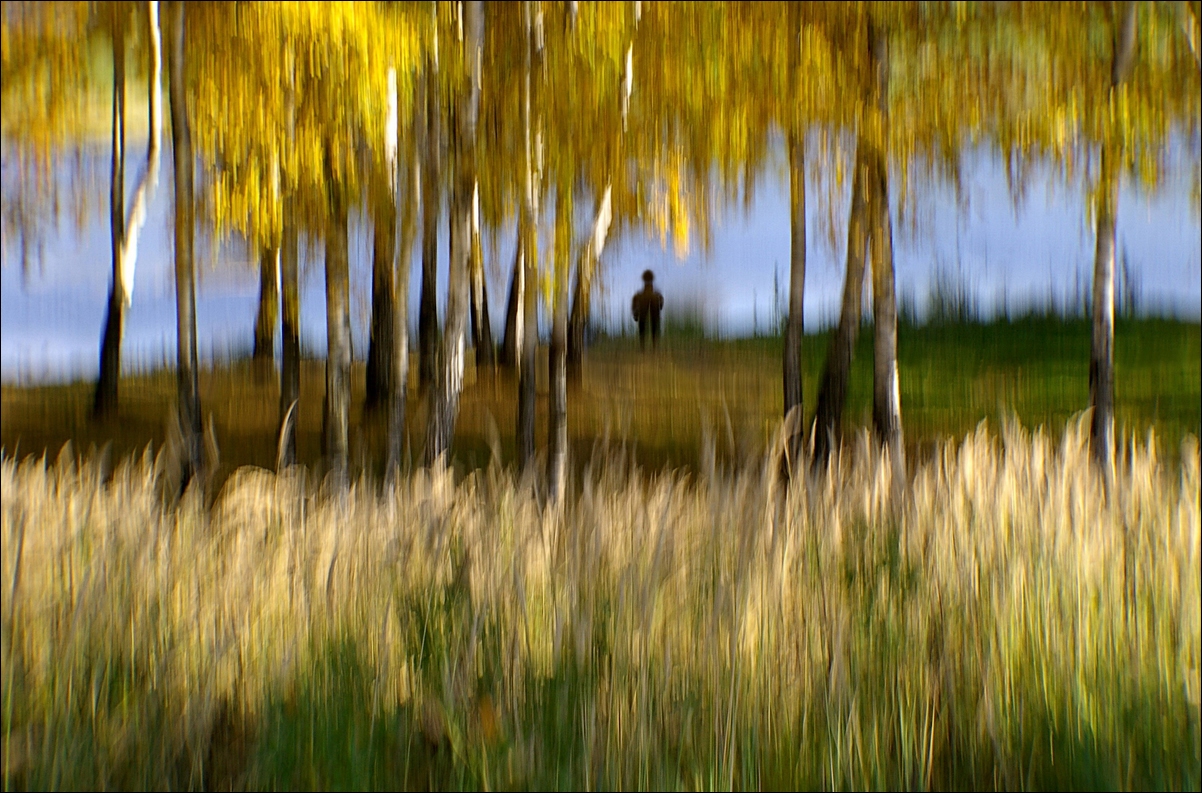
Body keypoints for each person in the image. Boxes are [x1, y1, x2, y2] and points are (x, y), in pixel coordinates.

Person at [631, 269, 664, 351]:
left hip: (642, 303)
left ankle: (642, 347)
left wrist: (635, 314)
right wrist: (659, 306)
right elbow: (660, 306)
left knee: (642, 325)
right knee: (655, 324)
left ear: (643, 279)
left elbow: (634, 310)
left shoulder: (638, 296)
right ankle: (654, 347)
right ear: (652, 279)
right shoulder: (657, 295)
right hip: (654, 301)